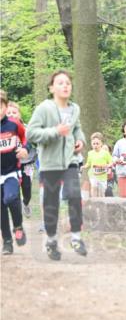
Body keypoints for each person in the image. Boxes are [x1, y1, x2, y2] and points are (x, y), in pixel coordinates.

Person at [26, 69, 87, 260]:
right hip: (49, 164)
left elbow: (77, 129)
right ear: (51, 88)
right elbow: (31, 133)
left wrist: (80, 141)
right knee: (51, 204)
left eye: (68, 83)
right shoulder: (44, 109)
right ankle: (51, 240)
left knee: (75, 196)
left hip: (70, 161)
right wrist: (55, 131)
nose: (65, 86)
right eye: (60, 83)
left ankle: (76, 237)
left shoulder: (74, 109)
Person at [1, 90, 28, 255]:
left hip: (11, 171)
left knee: (10, 198)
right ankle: (7, 242)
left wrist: (25, 149)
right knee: (1, 209)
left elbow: (25, 138)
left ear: (5, 107)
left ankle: (18, 226)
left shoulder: (14, 124)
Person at [6, 101, 35, 216]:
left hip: (27, 163)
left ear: (19, 114)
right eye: (8, 113)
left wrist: (25, 149)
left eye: (14, 112)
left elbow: (30, 142)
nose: (11, 115)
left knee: (27, 188)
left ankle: (26, 203)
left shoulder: (26, 128)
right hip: (11, 165)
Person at [83, 133, 113, 199]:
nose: (95, 145)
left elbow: (111, 162)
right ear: (91, 144)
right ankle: (94, 201)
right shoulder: (90, 153)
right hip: (93, 174)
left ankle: (101, 202)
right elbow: (88, 163)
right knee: (94, 187)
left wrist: (108, 165)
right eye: (94, 144)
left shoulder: (105, 153)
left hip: (102, 175)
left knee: (102, 192)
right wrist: (84, 166)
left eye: (97, 144)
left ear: (101, 144)